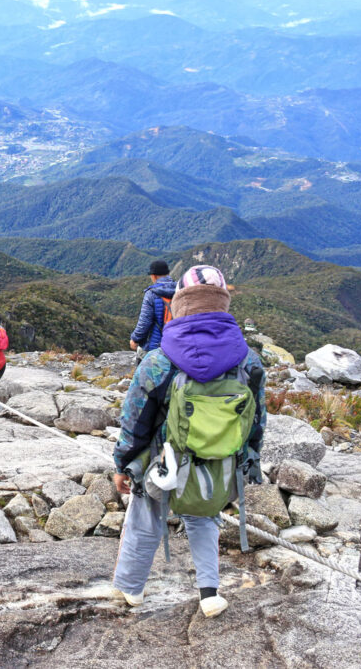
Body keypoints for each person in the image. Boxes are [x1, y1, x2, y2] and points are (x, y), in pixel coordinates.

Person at [111, 265, 266, 618]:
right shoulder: (249, 361)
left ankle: (131, 590)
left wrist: (123, 464)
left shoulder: (159, 360)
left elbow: (135, 421)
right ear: (223, 303)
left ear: (180, 304)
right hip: (219, 462)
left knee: (144, 515)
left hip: (162, 464)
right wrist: (250, 462)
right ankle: (209, 593)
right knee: (204, 518)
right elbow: (257, 422)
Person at [130, 260, 177, 358]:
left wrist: (135, 339)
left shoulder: (151, 294)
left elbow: (144, 322)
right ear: (168, 273)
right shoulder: (181, 290)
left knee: (141, 356)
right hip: (177, 344)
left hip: (155, 346)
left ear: (153, 276)